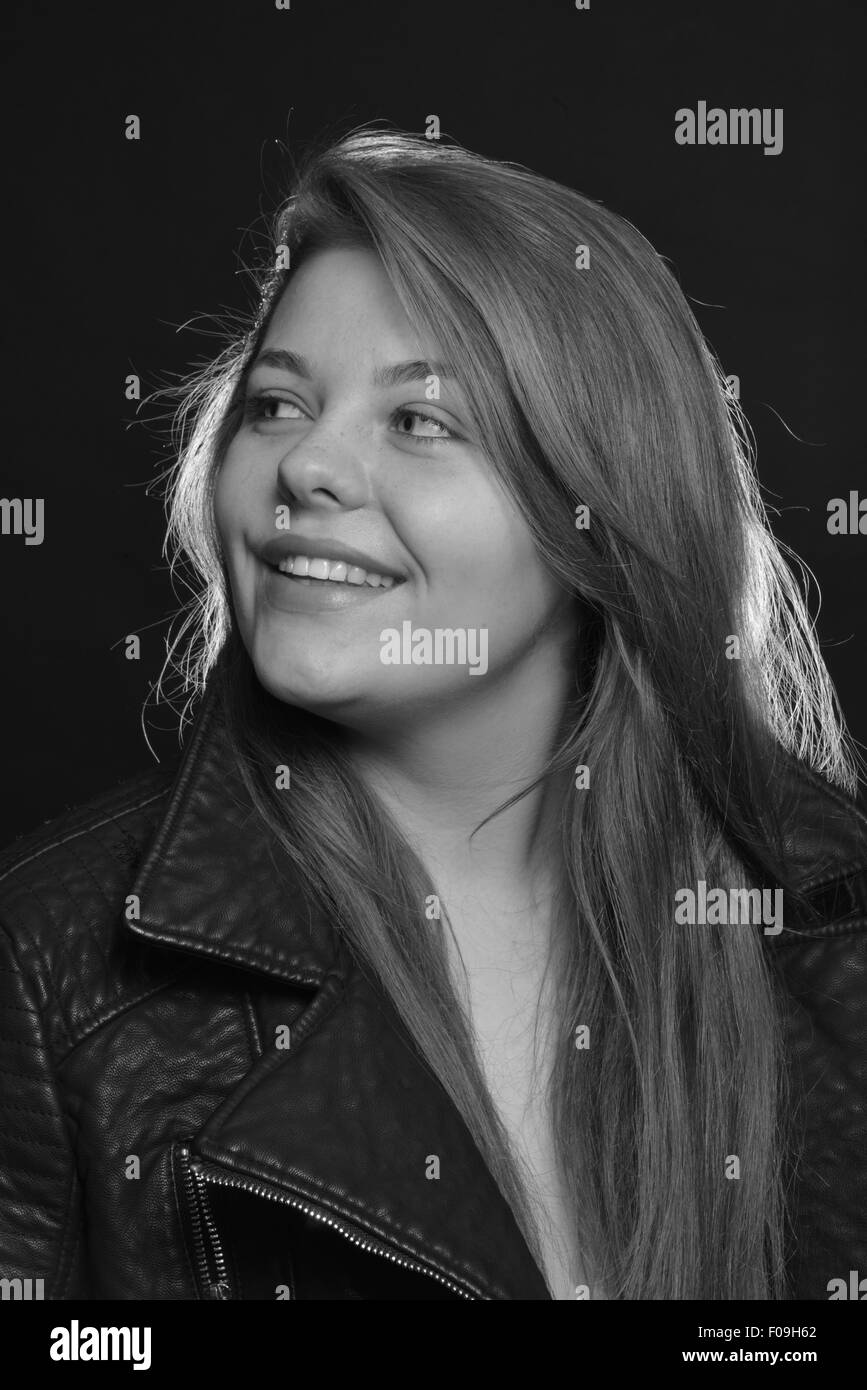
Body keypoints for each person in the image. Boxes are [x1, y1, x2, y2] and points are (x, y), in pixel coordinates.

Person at [1, 127, 865, 1301]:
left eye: (419, 421)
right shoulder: (49, 962)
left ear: (597, 509)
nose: (308, 465)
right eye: (275, 404)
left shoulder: (829, 930)